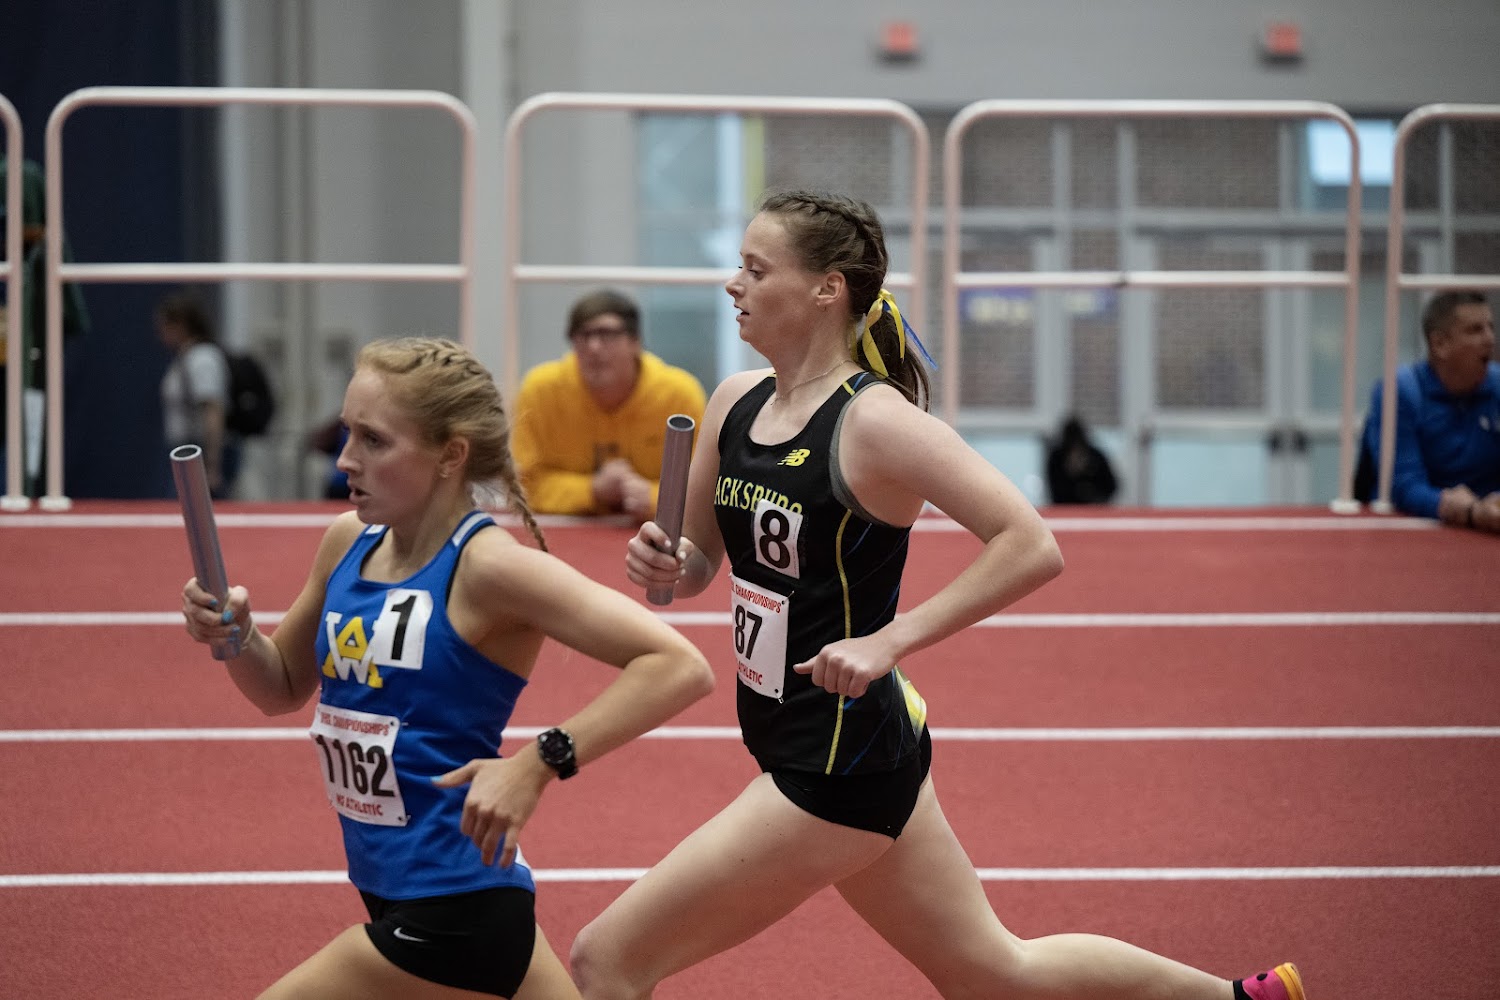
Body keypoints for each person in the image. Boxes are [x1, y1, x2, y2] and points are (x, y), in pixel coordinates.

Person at [570, 190, 1304, 1000]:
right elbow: (701, 562)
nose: (732, 284)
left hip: (836, 765)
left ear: (827, 289)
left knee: (607, 960)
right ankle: (1240, 999)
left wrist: (890, 641)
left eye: (756, 268)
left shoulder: (875, 423)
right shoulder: (733, 403)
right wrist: (667, 563)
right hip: (831, 740)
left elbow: (1030, 543)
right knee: (996, 977)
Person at [178, 336, 714, 1000]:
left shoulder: (490, 567)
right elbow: (280, 686)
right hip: (395, 888)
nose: (346, 459)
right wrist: (235, 636)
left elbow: (678, 665)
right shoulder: (348, 542)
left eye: (374, 441)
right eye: (348, 433)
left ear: (450, 455)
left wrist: (537, 762)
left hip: (457, 912)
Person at [510, 289, 706, 522]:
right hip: (565, 532)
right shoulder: (540, 391)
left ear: (635, 341)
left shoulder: (679, 395)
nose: (593, 347)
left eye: (607, 334)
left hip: (655, 532)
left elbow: (703, 487)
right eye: (583, 335)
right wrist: (592, 490)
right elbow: (523, 486)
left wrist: (654, 498)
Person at [1355, 289, 1499, 532]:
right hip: (1413, 533)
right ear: (1440, 344)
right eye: (1475, 330)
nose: (1490, 339)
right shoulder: (1400, 392)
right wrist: (1467, 511)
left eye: (1490, 328)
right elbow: (1403, 484)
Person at [156, 292, 237, 499]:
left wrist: (212, 464)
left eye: (165, 327)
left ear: (181, 325)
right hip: (184, 448)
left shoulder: (202, 358)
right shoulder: (184, 358)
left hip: (197, 452)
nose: (160, 334)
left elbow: (213, 411)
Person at [1045, 413, 1119, 504]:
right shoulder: (1056, 458)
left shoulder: (1096, 457)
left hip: (1093, 508)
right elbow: (1054, 490)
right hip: (1065, 508)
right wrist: (1071, 473)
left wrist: (1087, 475)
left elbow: (1111, 486)